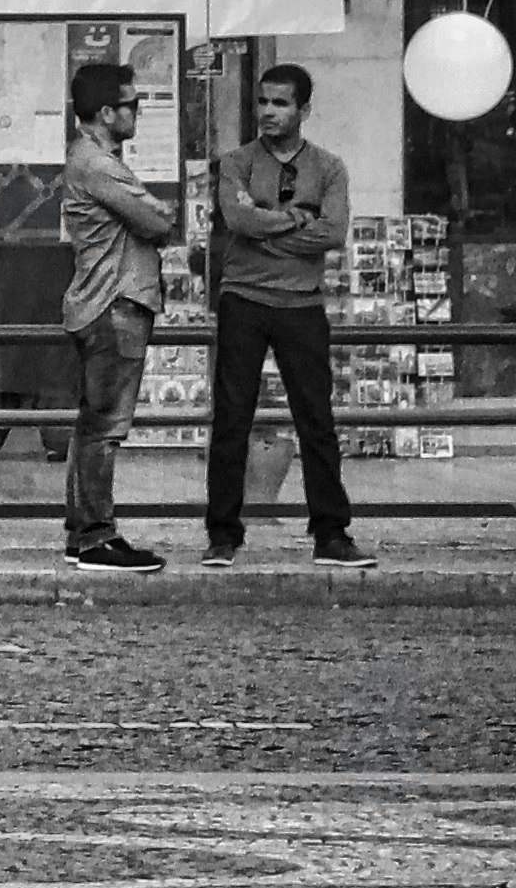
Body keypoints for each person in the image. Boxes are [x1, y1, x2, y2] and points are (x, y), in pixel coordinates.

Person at [202, 62, 372, 568]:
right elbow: (237, 218)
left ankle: (331, 533)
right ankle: (223, 533)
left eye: (280, 103)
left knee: (316, 419)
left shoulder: (330, 167)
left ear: (304, 110)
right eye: (262, 102)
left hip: (302, 304)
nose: (268, 112)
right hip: (244, 300)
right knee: (232, 417)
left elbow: (333, 232)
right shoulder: (235, 162)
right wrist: (296, 220)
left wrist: (266, 227)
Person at [57, 57, 177, 573]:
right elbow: (155, 220)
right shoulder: (97, 163)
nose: (138, 114)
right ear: (107, 112)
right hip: (113, 304)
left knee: (93, 425)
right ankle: (94, 537)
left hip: (105, 302)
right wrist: (158, 215)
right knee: (105, 427)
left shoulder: (92, 158)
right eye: (132, 105)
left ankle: (86, 531)